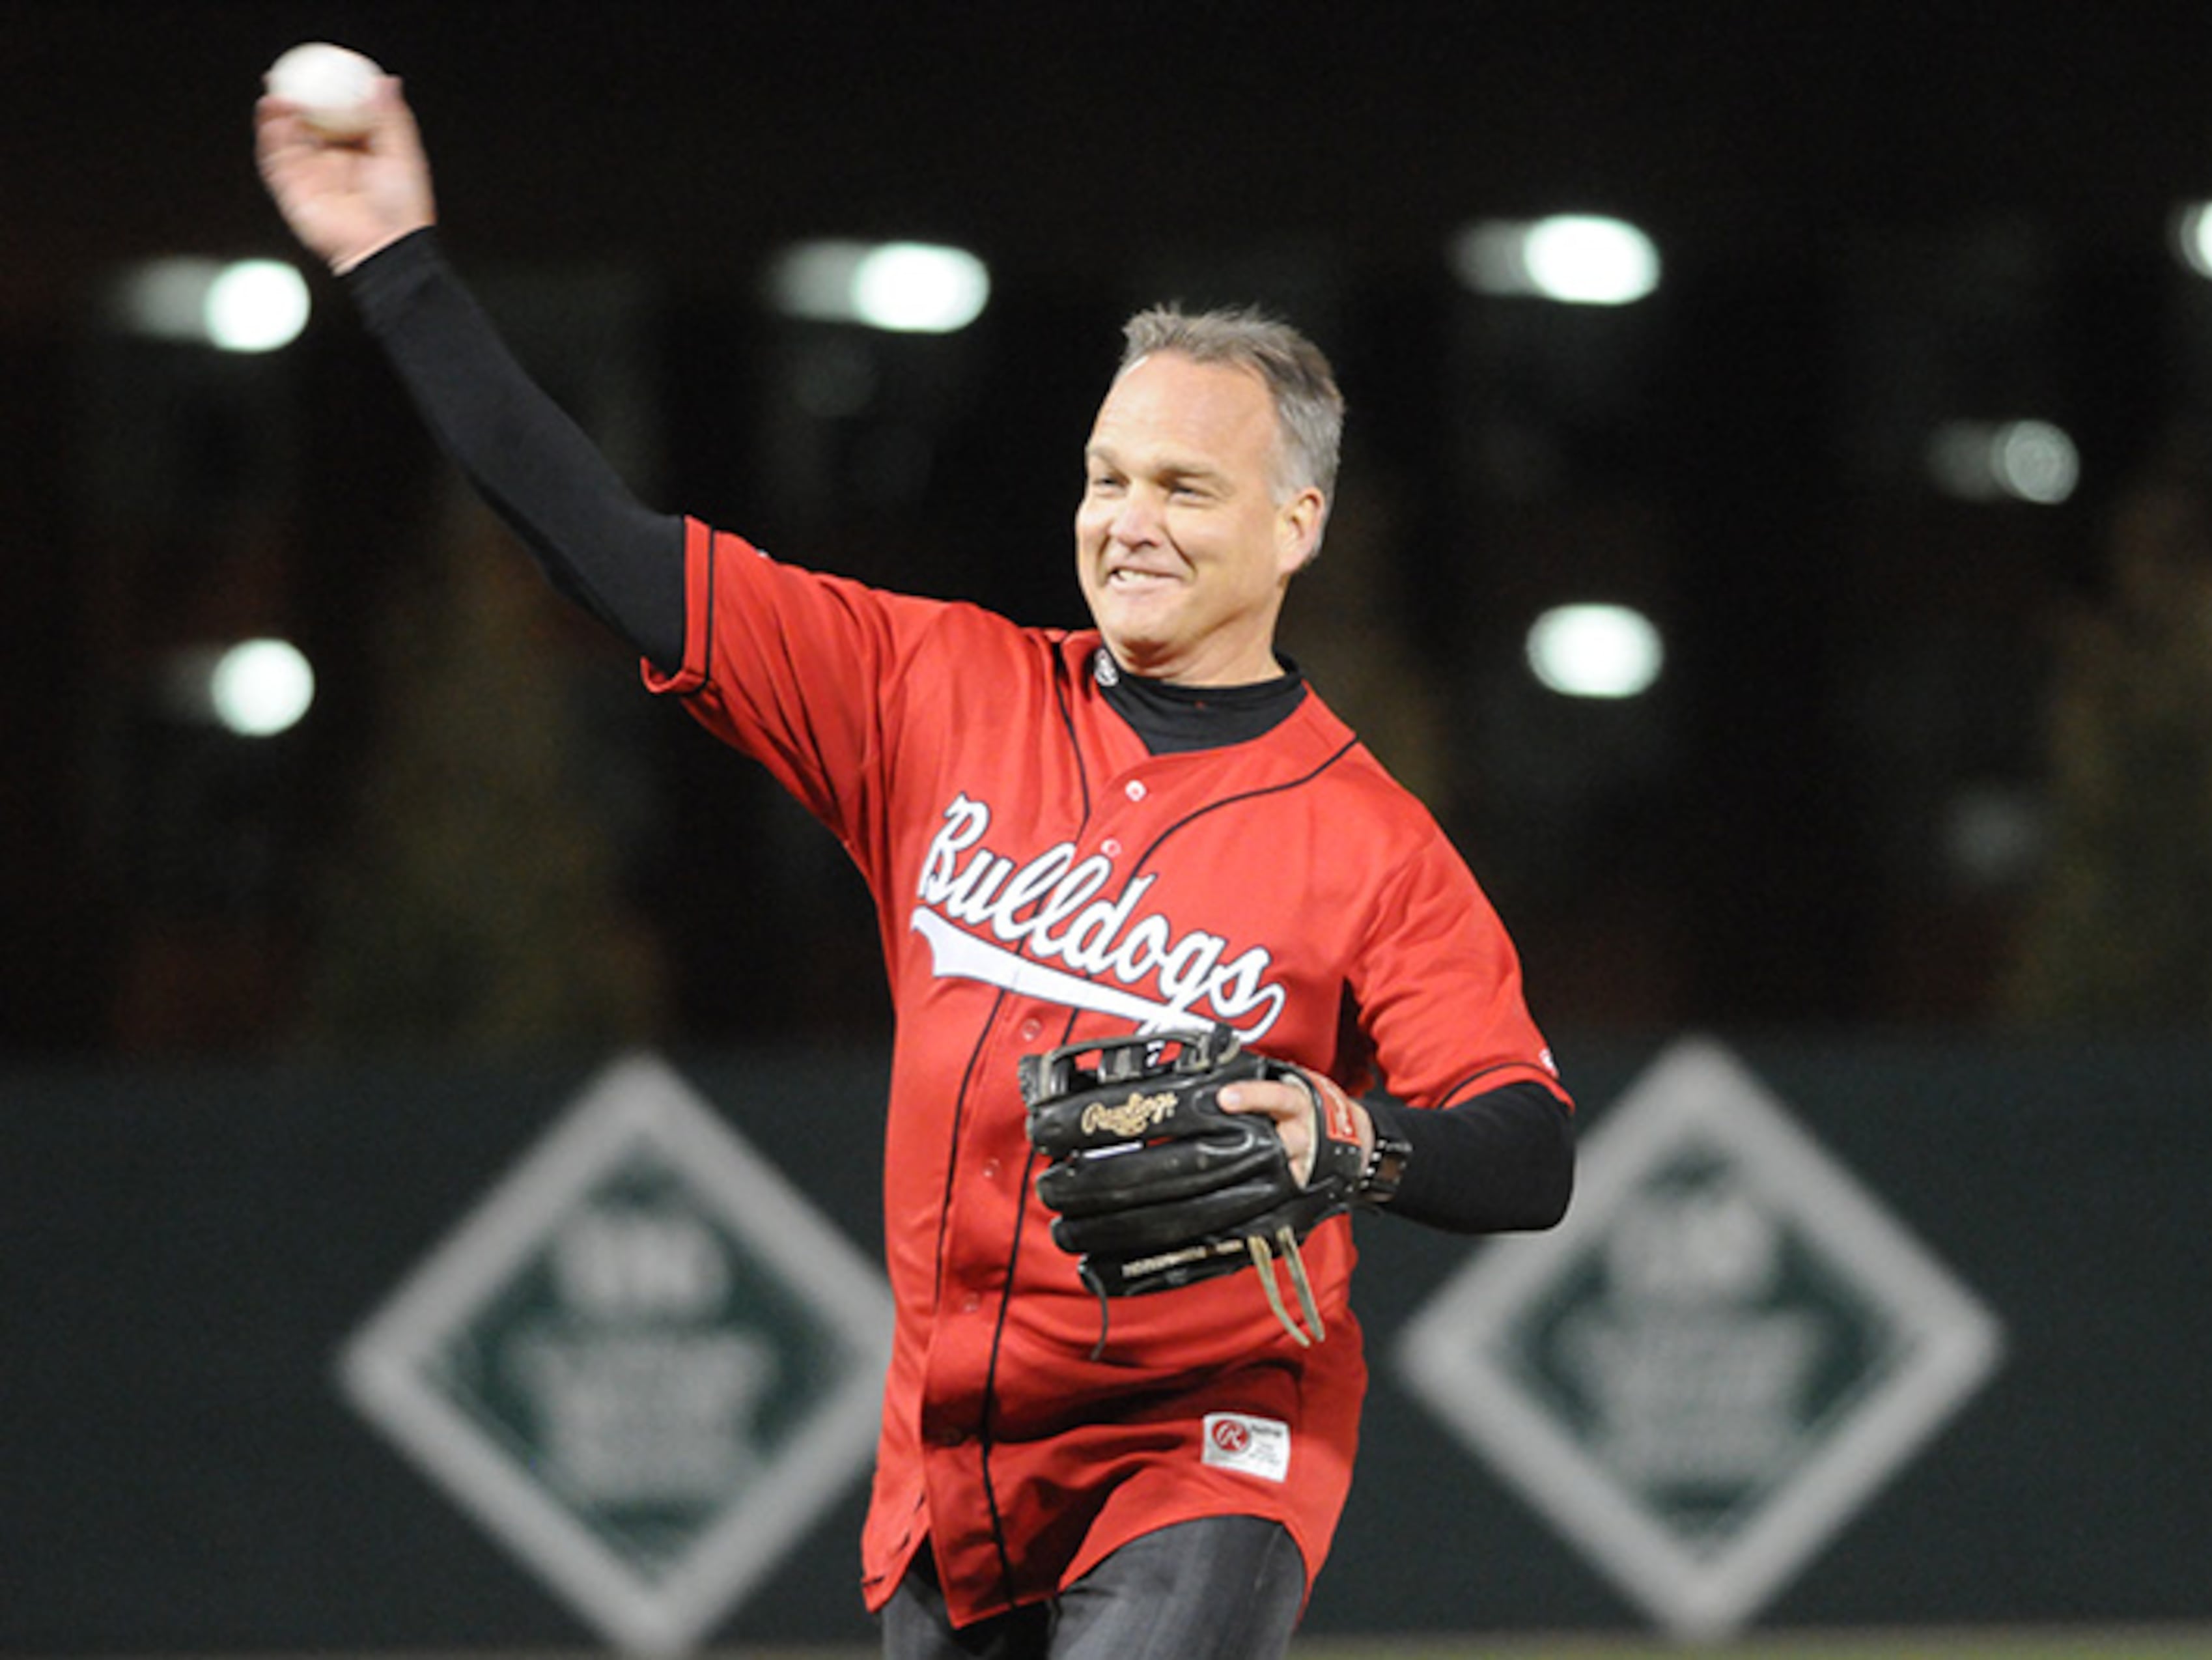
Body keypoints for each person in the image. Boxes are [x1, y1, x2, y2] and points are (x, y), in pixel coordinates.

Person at [258, 74, 1575, 1660]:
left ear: (1298, 524)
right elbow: (597, 541)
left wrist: (1355, 1145)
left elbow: (1528, 1147)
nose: (1128, 520)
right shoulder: (932, 692)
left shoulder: (1369, 841)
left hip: (1213, 1434)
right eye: (1107, 475)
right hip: (952, 1451)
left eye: (1184, 486)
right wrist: (395, 262)